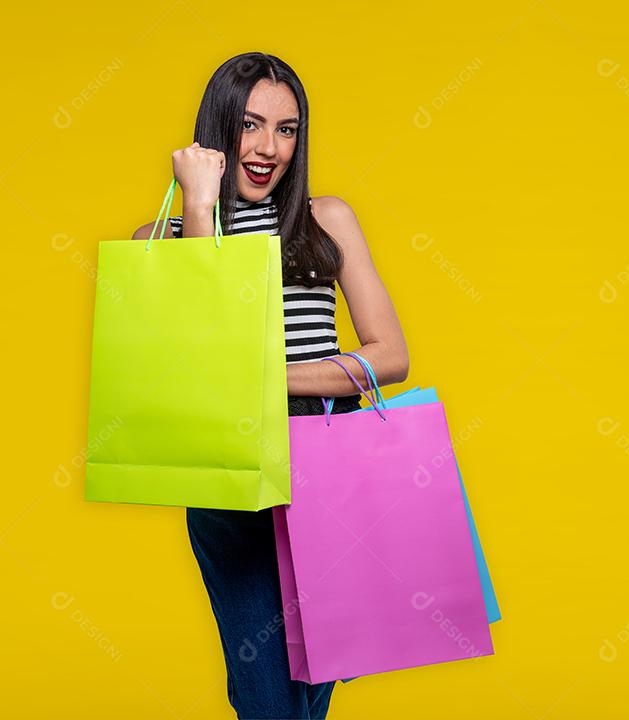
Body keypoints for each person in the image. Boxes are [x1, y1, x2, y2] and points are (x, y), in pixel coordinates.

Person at [131, 52, 409, 719]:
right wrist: (201, 205)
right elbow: (205, 347)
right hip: (232, 467)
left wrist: (268, 377)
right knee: (264, 693)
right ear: (215, 132)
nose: (267, 148)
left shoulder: (327, 218)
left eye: (286, 129)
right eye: (250, 125)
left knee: (316, 681)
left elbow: (391, 356)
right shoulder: (157, 242)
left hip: (328, 450)